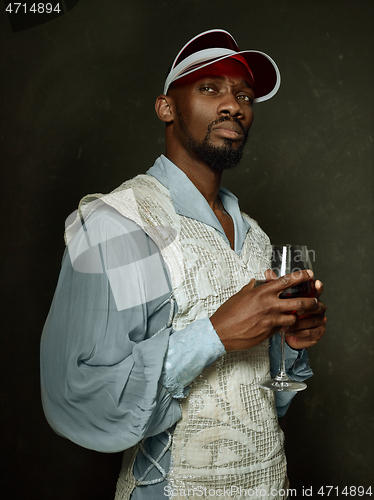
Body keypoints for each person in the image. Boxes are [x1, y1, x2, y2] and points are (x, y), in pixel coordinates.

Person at [40, 29, 327, 500]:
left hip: (270, 485)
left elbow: (265, 401)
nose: (234, 104)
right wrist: (213, 333)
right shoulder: (121, 225)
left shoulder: (256, 237)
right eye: (210, 88)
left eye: (244, 95)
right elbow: (83, 392)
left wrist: (291, 348)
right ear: (166, 108)